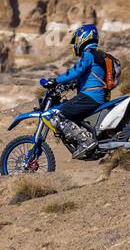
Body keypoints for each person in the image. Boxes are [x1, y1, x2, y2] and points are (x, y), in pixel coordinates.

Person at [39, 23, 114, 153]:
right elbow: (88, 76)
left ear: (83, 37)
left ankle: (85, 141)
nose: (75, 44)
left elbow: (75, 71)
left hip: (90, 96)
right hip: (100, 96)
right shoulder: (100, 54)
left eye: (76, 40)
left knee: (58, 114)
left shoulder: (89, 54)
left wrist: (55, 81)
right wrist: (70, 84)